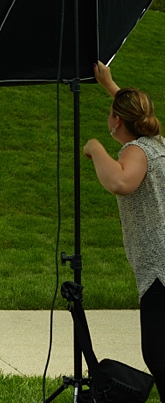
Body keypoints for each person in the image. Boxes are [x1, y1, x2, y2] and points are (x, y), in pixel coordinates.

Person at [84, 62, 165, 394]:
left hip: (158, 268)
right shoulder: (156, 142)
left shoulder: (135, 150)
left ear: (116, 121)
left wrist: (94, 147)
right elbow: (134, 112)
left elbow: (119, 181)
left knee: (158, 354)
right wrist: (110, 84)